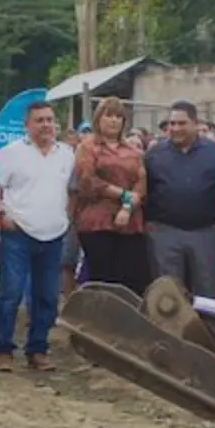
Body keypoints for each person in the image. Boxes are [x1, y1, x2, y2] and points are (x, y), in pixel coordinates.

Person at [0, 101, 76, 372]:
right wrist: (2, 215)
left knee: (47, 296)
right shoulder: (12, 153)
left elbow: (72, 191)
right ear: (27, 125)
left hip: (54, 234)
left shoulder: (67, 154)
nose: (46, 125)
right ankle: (3, 350)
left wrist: (67, 217)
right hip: (19, 233)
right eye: (39, 120)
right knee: (11, 293)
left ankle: (38, 349)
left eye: (50, 120)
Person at [145, 101, 215, 298]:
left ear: (195, 124)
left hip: (205, 232)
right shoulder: (154, 154)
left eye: (181, 123)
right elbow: (144, 189)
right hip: (165, 232)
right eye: (172, 124)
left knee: (207, 292)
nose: (175, 128)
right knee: (168, 294)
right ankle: (169, 331)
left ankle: (209, 330)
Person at [74, 97, 150, 297]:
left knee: (132, 280)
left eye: (118, 116)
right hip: (96, 222)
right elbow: (87, 180)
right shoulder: (87, 147)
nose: (114, 120)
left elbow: (141, 181)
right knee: (103, 281)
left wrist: (127, 206)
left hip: (130, 223)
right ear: (98, 119)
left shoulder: (133, 151)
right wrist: (123, 194)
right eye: (109, 115)